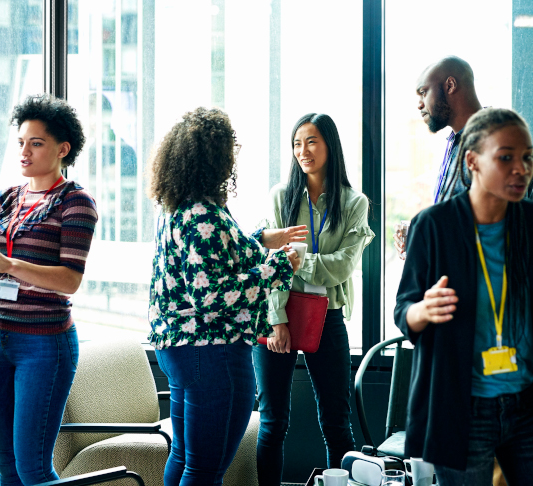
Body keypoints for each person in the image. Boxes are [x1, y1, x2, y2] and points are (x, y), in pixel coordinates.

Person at [394, 108, 533, 485]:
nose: (521, 168)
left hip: (529, 405)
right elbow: (404, 311)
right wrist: (423, 311)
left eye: (526, 157)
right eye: (505, 157)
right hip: (462, 407)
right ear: (472, 161)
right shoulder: (433, 226)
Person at [146, 107, 304, 486]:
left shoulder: (179, 209)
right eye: (230, 149)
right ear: (214, 156)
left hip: (181, 349)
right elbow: (215, 296)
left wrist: (262, 241)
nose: (233, 157)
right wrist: (279, 267)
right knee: (205, 470)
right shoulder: (204, 215)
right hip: (211, 353)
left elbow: (211, 264)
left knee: (185, 458)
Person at [0, 94, 97, 486]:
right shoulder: (6, 199)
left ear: (62, 149)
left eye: (35, 143)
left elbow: (69, 279)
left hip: (44, 343)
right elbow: (0, 281)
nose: (24, 151)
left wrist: (8, 264)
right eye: (21, 142)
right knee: (6, 464)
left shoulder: (75, 202)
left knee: (33, 468)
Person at [253, 113, 374, 486]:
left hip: (327, 315)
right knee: (273, 422)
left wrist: (299, 259)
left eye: (311, 141)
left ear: (329, 146)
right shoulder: (280, 196)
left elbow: (342, 268)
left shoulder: (354, 203)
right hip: (279, 315)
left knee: (337, 424)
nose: (302, 151)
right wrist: (276, 319)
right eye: (296, 143)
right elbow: (269, 262)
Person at [394, 56, 482, 259]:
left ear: (450, 85)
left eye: (423, 92)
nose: (419, 104)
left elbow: (490, 230)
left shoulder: (491, 141)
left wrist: (424, 236)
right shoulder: (456, 140)